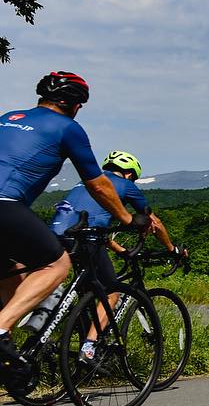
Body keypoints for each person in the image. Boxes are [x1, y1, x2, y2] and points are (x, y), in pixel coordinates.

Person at [0, 72, 146, 380]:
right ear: (75, 105)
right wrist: (127, 218)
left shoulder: (8, 117)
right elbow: (98, 184)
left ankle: (10, 362)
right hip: (5, 203)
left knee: (15, 276)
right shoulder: (69, 128)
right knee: (56, 265)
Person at [52, 151, 182, 360]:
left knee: (88, 292)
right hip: (88, 240)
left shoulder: (88, 183)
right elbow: (154, 223)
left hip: (58, 235)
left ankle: (67, 348)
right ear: (130, 174)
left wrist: (121, 251)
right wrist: (172, 249)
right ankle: (88, 348)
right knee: (112, 293)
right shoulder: (125, 185)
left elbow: (94, 226)